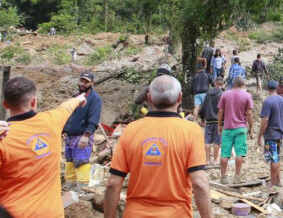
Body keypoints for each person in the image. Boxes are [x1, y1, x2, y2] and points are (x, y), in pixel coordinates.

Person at [104, 75, 211, 218]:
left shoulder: (131, 130)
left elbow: (113, 183)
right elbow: (199, 184)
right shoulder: (192, 131)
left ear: (149, 98)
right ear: (180, 98)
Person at [0, 77, 87, 217]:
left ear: (5, 104)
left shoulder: (3, 138)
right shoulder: (52, 120)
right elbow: (65, 107)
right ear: (34, 102)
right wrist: (78, 99)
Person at [61, 71, 103, 191]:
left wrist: (86, 135)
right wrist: (63, 129)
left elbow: (94, 118)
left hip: (82, 136)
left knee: (81, 162)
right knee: (69, 162)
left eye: (86, 82)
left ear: (92, 83)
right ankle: (70, 190)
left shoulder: (94, 99)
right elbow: (69, 116)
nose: (82, 84)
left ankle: (82, 191)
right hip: (70, 136)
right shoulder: (75, 97)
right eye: (81, 81)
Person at [217, 77, 254, 184]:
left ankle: (223, 178)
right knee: (239, 153)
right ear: (243, 84)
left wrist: (219, 124)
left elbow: (220, 111)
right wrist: (251, 127)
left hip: (227, 128)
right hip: (241, 128)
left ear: (233, 84)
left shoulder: (225, 94)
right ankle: (237, 177)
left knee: (224, 154)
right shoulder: (247, 96)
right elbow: (249, 114)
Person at [259, 80, 283, 187]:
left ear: (267, 89)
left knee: (273, 158)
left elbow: (265, 120)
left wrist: (260, 135)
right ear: (276, 88)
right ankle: (278, 181)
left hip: (271, 134)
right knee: (277, 157)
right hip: (280, 133)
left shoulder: (267, 101)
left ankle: (272, 182)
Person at [199, 77, 224, 165]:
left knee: (207, 141)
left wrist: (202, 118)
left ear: (215, 83)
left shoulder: (208, 94)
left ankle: (207, 160)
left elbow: (203, 107)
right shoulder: (222, 94)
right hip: (218, 121)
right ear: (222, 84)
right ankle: (215, 160)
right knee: (217, 141)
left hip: (209, 121)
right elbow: (223, 109)